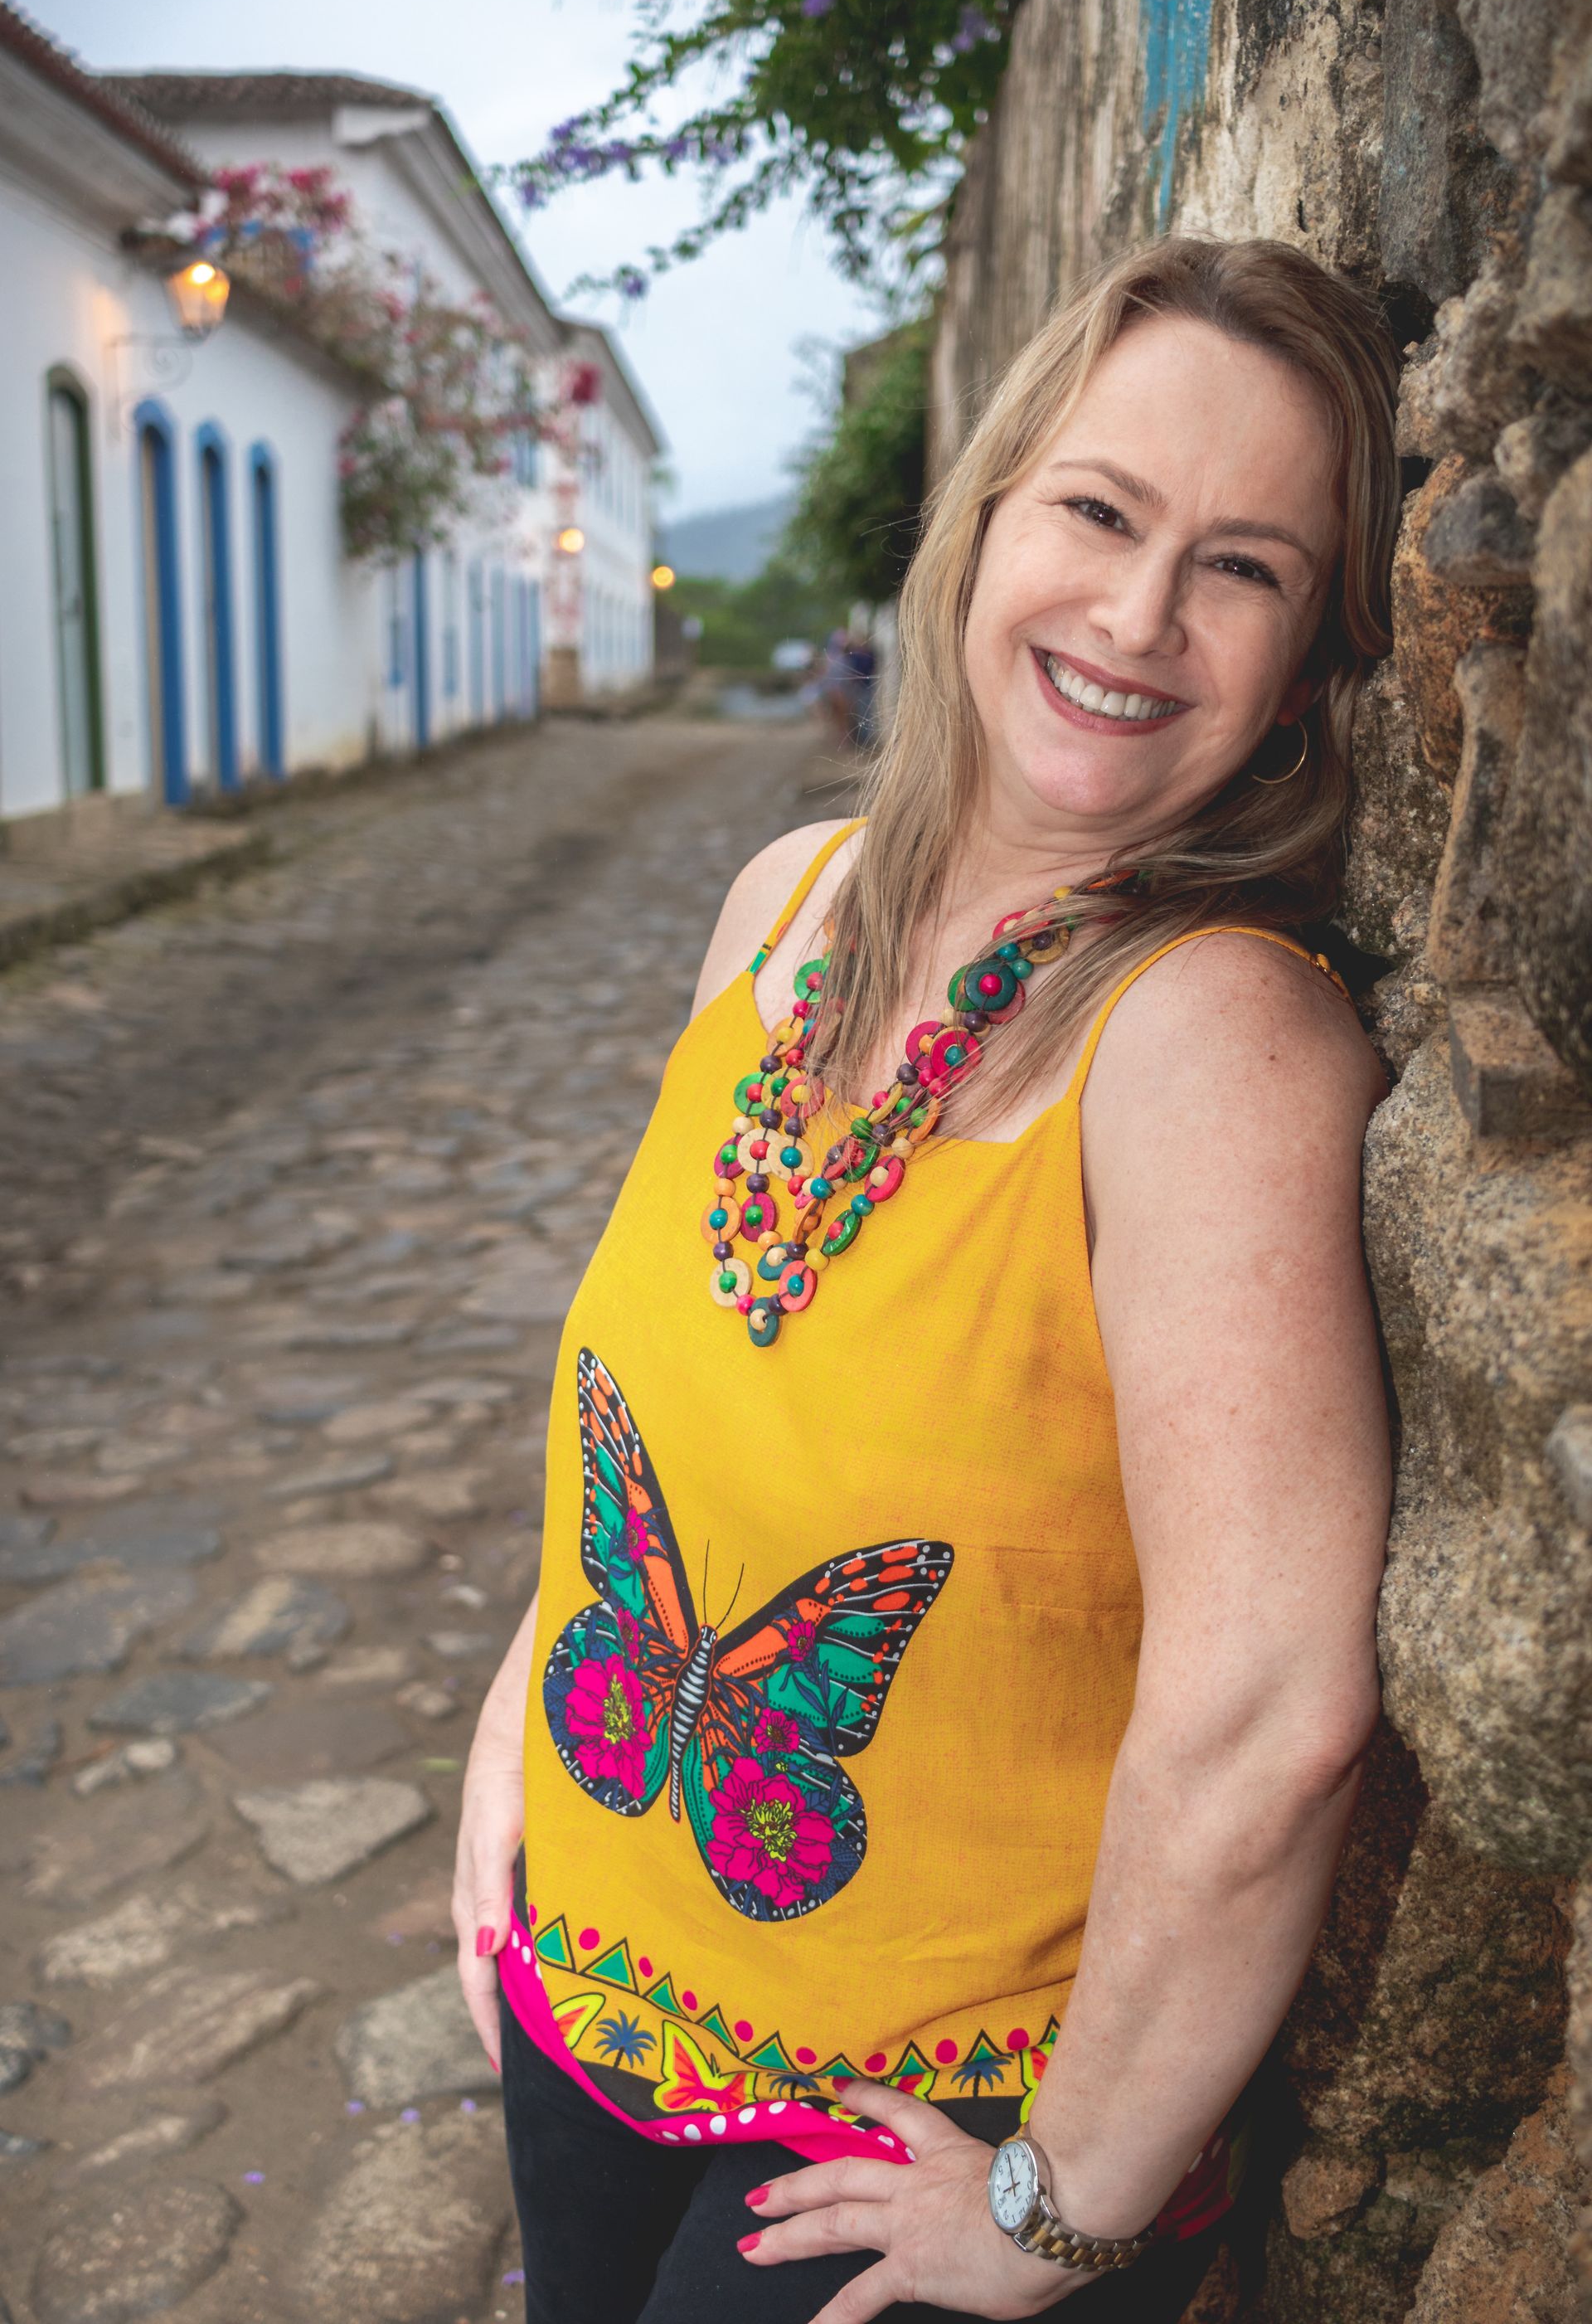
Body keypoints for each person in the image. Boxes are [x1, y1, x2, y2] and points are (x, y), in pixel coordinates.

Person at [454, 232, 1395, 2324]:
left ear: (1313, 662)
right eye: (1101, 510)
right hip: (591, 1977)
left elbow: (1269, 1720)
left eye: (1243, 570)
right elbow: (679, 1394)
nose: (1140, 618)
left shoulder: (1213, 1040)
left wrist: (1061, 2208)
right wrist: (523, 1717)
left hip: (914, 2123)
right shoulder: (784, 900)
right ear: (982, 522)